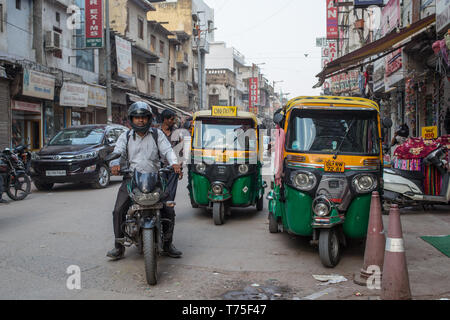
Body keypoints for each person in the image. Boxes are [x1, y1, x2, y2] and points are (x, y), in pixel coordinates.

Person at [107, 102, 182, 260]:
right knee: (118, 210)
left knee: (169, 209)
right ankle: (118, 247)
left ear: (148, 119)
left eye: (143, 117)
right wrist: (114, 165)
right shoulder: (126, 136)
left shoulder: (157, 134)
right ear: (131, 119)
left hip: (155, 177)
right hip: (132, 178)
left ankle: (168, 244)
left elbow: (167, 150)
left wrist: (174, 163)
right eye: (137, 118)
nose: (140, 121)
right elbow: (118, 152)